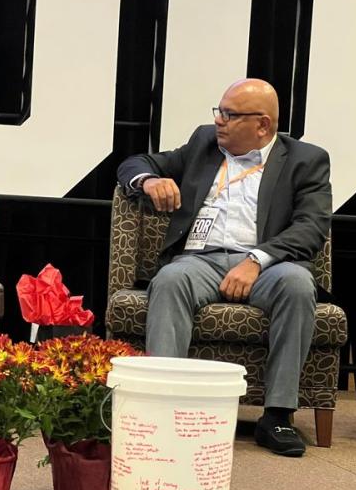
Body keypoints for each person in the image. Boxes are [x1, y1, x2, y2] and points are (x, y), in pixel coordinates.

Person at [117, 78, 331, 457]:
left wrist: (256, 260)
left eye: (230, 115)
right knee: (169, 280)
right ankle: (166, 406)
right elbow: (135, 163)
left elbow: (310, 228)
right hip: (199, 260)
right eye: (219, 111)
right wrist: (149, 180)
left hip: (268, 265)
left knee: (298, 285)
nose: (219, 121)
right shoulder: (204, 144)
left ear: (262, 125)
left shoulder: (306, 160)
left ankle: (278, 416)